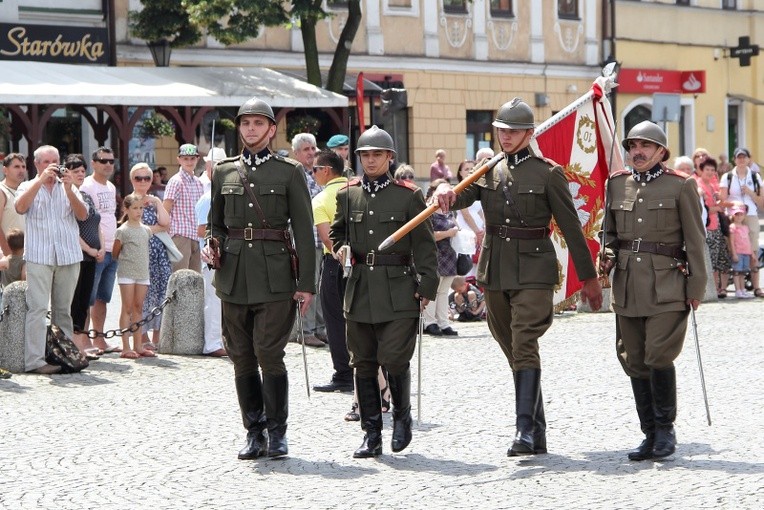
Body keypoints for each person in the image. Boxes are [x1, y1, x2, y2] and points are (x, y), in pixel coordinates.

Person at [435, 98, 602, 457]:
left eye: (512, 131)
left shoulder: (548, 173)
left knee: (524, 340)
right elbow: (460, 198)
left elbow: (573, 229)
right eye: (501, 131)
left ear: (529, 134)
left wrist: (588, 279)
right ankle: (537, 429)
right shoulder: (488, 170)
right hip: (495, 270)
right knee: (509, 344)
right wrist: (443, 191)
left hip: (535, 271)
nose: (505, 137)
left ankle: (523, 430)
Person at [203, 97, 316, 460]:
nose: (251, 129)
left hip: (275, 276)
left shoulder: (289, 171)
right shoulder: (223, 171)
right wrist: (212, 244)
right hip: (233, 275)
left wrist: (306, 283)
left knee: (270, 353)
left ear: (270, 130)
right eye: (245, 123)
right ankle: (254, 432)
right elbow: (217, 223)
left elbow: (304, 229)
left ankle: (278, 432)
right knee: (241, 357)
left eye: (258, 123)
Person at [600, 121, 707, 461]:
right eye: (633, 146)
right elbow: (610, 234)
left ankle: (665, 430)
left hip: (667, 287)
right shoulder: (616, 184)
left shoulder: (681, 185)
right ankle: (648, 433)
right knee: (633, 360)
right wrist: (608, 254)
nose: (638, 151)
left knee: (658, 355)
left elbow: (695, 240)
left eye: (646, 146)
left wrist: (696, 287)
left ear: (662, 152)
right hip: (628, 287)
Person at [330, 125, 438, 458]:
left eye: (378, 154)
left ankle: (402, 416)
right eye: (365, 155)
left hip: (398, 288)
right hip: (360, 287)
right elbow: (337, 234)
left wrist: (428, 285)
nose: (371, 160)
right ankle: (371, 433)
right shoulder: (347, 194)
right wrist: (341, 248)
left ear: (390, 157)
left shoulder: (408, 195)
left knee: (394, 358)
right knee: (362, 363)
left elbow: (425, 245)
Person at [15, 145, 88, 374]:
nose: (52, 166)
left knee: (63, 310)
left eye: (55, 161)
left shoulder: (68, 186)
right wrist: (39, 182)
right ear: (36, 164)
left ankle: (65, 355)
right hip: (39, 256)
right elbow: (20, 207)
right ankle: (35, 361)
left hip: (67, 255)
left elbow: (83, 215)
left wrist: (68, 189)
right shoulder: (27, 186)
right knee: (37, 309)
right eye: (46, 162)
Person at [310, 150, 352, 393]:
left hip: (336, 264)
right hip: (364, 261)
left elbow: (329, 240)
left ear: (326, 170)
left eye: (315, 169)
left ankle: (344, 374)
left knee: (335, 320)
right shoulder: (356, 188)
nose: (313, 174)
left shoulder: (321, 198)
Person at [80, 147, 120, 353]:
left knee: (103, 298)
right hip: (94, 250)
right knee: (87, 297)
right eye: (103, 160)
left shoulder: (111, 187)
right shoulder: (87, 186)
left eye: (111, 161)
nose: (108, 164)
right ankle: (84, 341)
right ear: (93, 163)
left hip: (112, 248)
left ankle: (100, 339)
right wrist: (92, 248)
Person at [66, 154, 105, 356]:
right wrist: (89, 249)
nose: (80, 174)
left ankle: (81, 345)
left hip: (92, 257)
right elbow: (71, 228)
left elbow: (96, 222)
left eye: (82, 171)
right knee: (75, 301)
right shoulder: (66, 196)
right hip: (77, 256)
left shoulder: (86, 196)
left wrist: (102, 246)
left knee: (84, 302)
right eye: (75, 171)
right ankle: (73, 346)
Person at [129, 163, 171, 350]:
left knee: (160, 293)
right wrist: (154, 229)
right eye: (139, 178)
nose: (143, 181)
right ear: (133, 180)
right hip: (139, 253)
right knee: (141, 297)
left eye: (147, 178)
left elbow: (166, 223)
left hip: (158, 253)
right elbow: (131, 227)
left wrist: (158, 203)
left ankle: (157, 336)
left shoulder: (155, 200)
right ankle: (142, 337)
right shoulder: (129, 200)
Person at [290, 132, 326, 347]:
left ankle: (320, 327)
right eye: (306, 149)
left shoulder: (317, 174)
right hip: (306, 239)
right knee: (308, 285)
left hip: (321, 238)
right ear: (296, 153)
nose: (311, 153)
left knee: (321, 287)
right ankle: (305, 330)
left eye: (313, 149)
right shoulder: (297, 175)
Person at [113, 193, 157, 359]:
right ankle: (125, 347)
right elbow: (116, 253)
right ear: (127, 209)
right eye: (135, 208)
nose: (139, 211)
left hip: (142, 273)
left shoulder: (146, 230)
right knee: (127, 308)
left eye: (141, 208)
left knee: (139, 308)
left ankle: (138, 345)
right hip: (127, 273)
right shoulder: (122, 231)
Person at [719, 147, 764, 297]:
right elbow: (722, 200)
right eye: (739, 157)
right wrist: (734, 205)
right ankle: (726, 287)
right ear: (734, 159)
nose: (742, 160)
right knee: (730, 248)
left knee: (753, 249)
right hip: (733, 216)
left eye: (744, 157)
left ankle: (756, 286)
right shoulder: (727, 177)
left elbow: (762, 203)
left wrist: (751, 193)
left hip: (750, 214)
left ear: (749, 159)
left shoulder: (755, 177)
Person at [195, 152, 227, 357]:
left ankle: (220, 339)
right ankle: (212, 343)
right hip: (210, 256)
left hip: (222, 254)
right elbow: (200, 229)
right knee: (213, 301)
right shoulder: (208, 197)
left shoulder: (219, 194)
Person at [422, 179, 459, 336]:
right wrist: (449, 233)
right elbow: (429, 235)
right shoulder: (428, 210)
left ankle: (443, 322)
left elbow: (457, 226)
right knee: (433, 290)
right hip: (434, 253)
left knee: (443, 291)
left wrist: (457, 230)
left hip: (449, 254)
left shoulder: (450, 211)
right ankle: (429, 322)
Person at [163, 143, 204, 273]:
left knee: (195, 280)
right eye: (185, 158)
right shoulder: (176, 181)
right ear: (179, 160)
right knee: (180, 279)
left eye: (192, 158)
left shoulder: (198, 182)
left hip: (196, 236)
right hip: (180, 236)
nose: (189, 162)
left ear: (198, 159)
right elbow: (165, 210)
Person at [694, 157, 732, 298]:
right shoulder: (699, 186)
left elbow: (719, 204)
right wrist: (717, 207)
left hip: (718, 226)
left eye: (712, 170)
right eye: (707, 169)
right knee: (712, 261)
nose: (710, 172)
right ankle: (714, 289)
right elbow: (704, 209)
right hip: (708, 228)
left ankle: (722, 288)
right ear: (700, 171)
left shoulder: (712, 185)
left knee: (722, 259)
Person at [454, 159, 484, 281]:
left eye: (472, 169)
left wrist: (484, 228)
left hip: (479, 231)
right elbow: (465, 214)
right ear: (460, 172)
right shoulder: (460, 189)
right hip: (467, 231)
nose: (469, 171)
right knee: (467, 265)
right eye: (466, 169)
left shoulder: (478, 188)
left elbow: (480, 211)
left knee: (478, 264)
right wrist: (477, 231)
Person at [0, 153, 27, 256]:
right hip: (8, 256)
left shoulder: (26, 190)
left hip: (27, 254)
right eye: (16, 167)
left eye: (23, 167)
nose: (21, 170)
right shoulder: (2, 191)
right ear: (5, 170)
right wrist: (8, 253)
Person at [728, 203, 755, 299]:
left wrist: (752, 253)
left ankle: (743, 289)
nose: (739, 216)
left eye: (741, 214)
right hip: (738, 252)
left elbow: (748, 240)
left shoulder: (745, 227)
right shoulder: (732, 227)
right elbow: (731, 241)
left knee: (743, 272)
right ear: (733, 215)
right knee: (737, 271)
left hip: (746, 252)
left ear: (744, 215)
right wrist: (734, 254)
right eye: (736, 214)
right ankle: (738, 290)